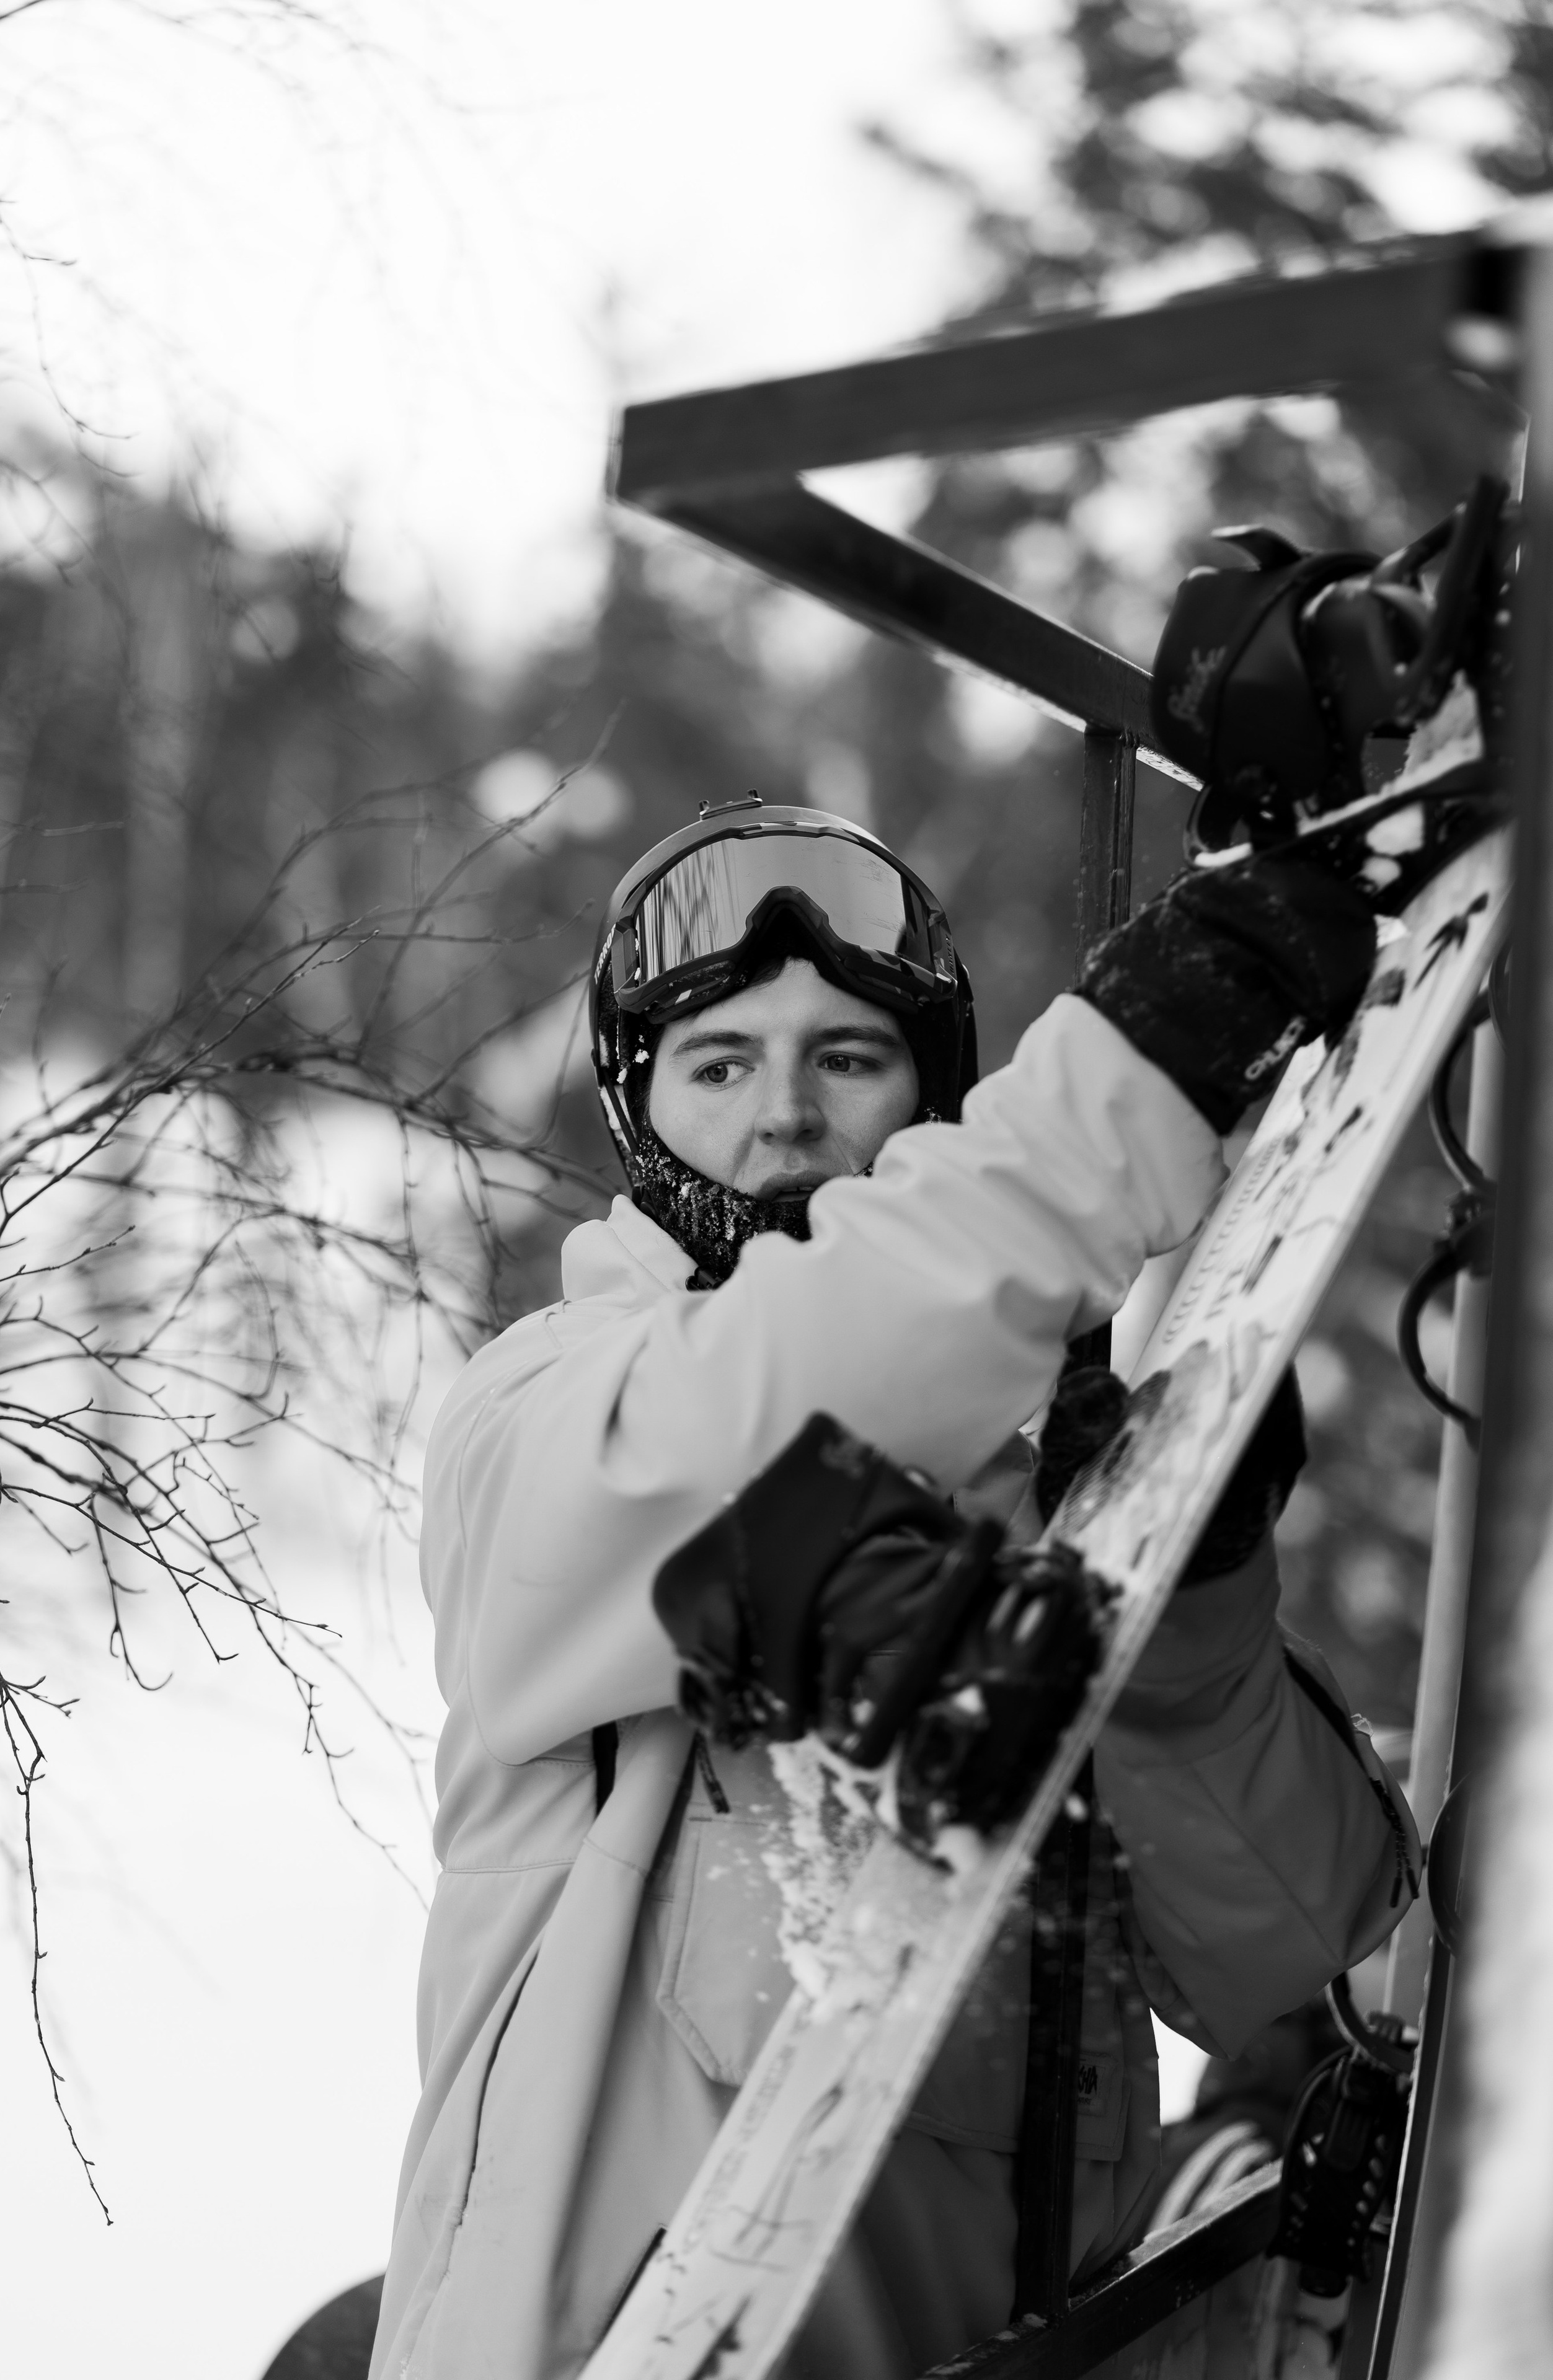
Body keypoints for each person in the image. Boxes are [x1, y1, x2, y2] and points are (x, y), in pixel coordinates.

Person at [368, 793, 1420, 2380]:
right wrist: (1116, 1102)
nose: (785, 1115)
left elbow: (1284, 1932)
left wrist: (1188, 1611)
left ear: (927, 1099)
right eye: (718, 1065)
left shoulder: (1027, 1515)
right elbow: (760, 1424)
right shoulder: (543, 1420)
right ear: (641, 1115)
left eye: (847, 1058)